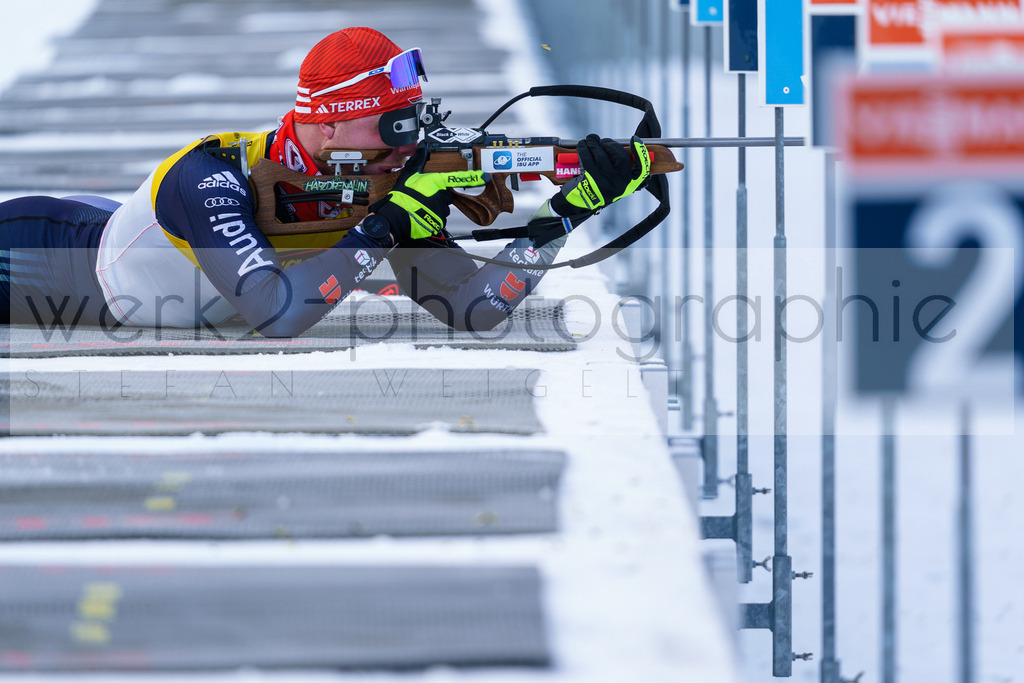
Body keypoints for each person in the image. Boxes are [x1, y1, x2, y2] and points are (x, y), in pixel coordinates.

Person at [0, 27, 650, 337]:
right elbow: (278, 312)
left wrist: (567, 213)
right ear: (331, 128)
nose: (411, 144)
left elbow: (475, 307)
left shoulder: (371, 188)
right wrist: (391, 221)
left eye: (417, 121)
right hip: (42, 256)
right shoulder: (212, 177)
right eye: (395, 126)